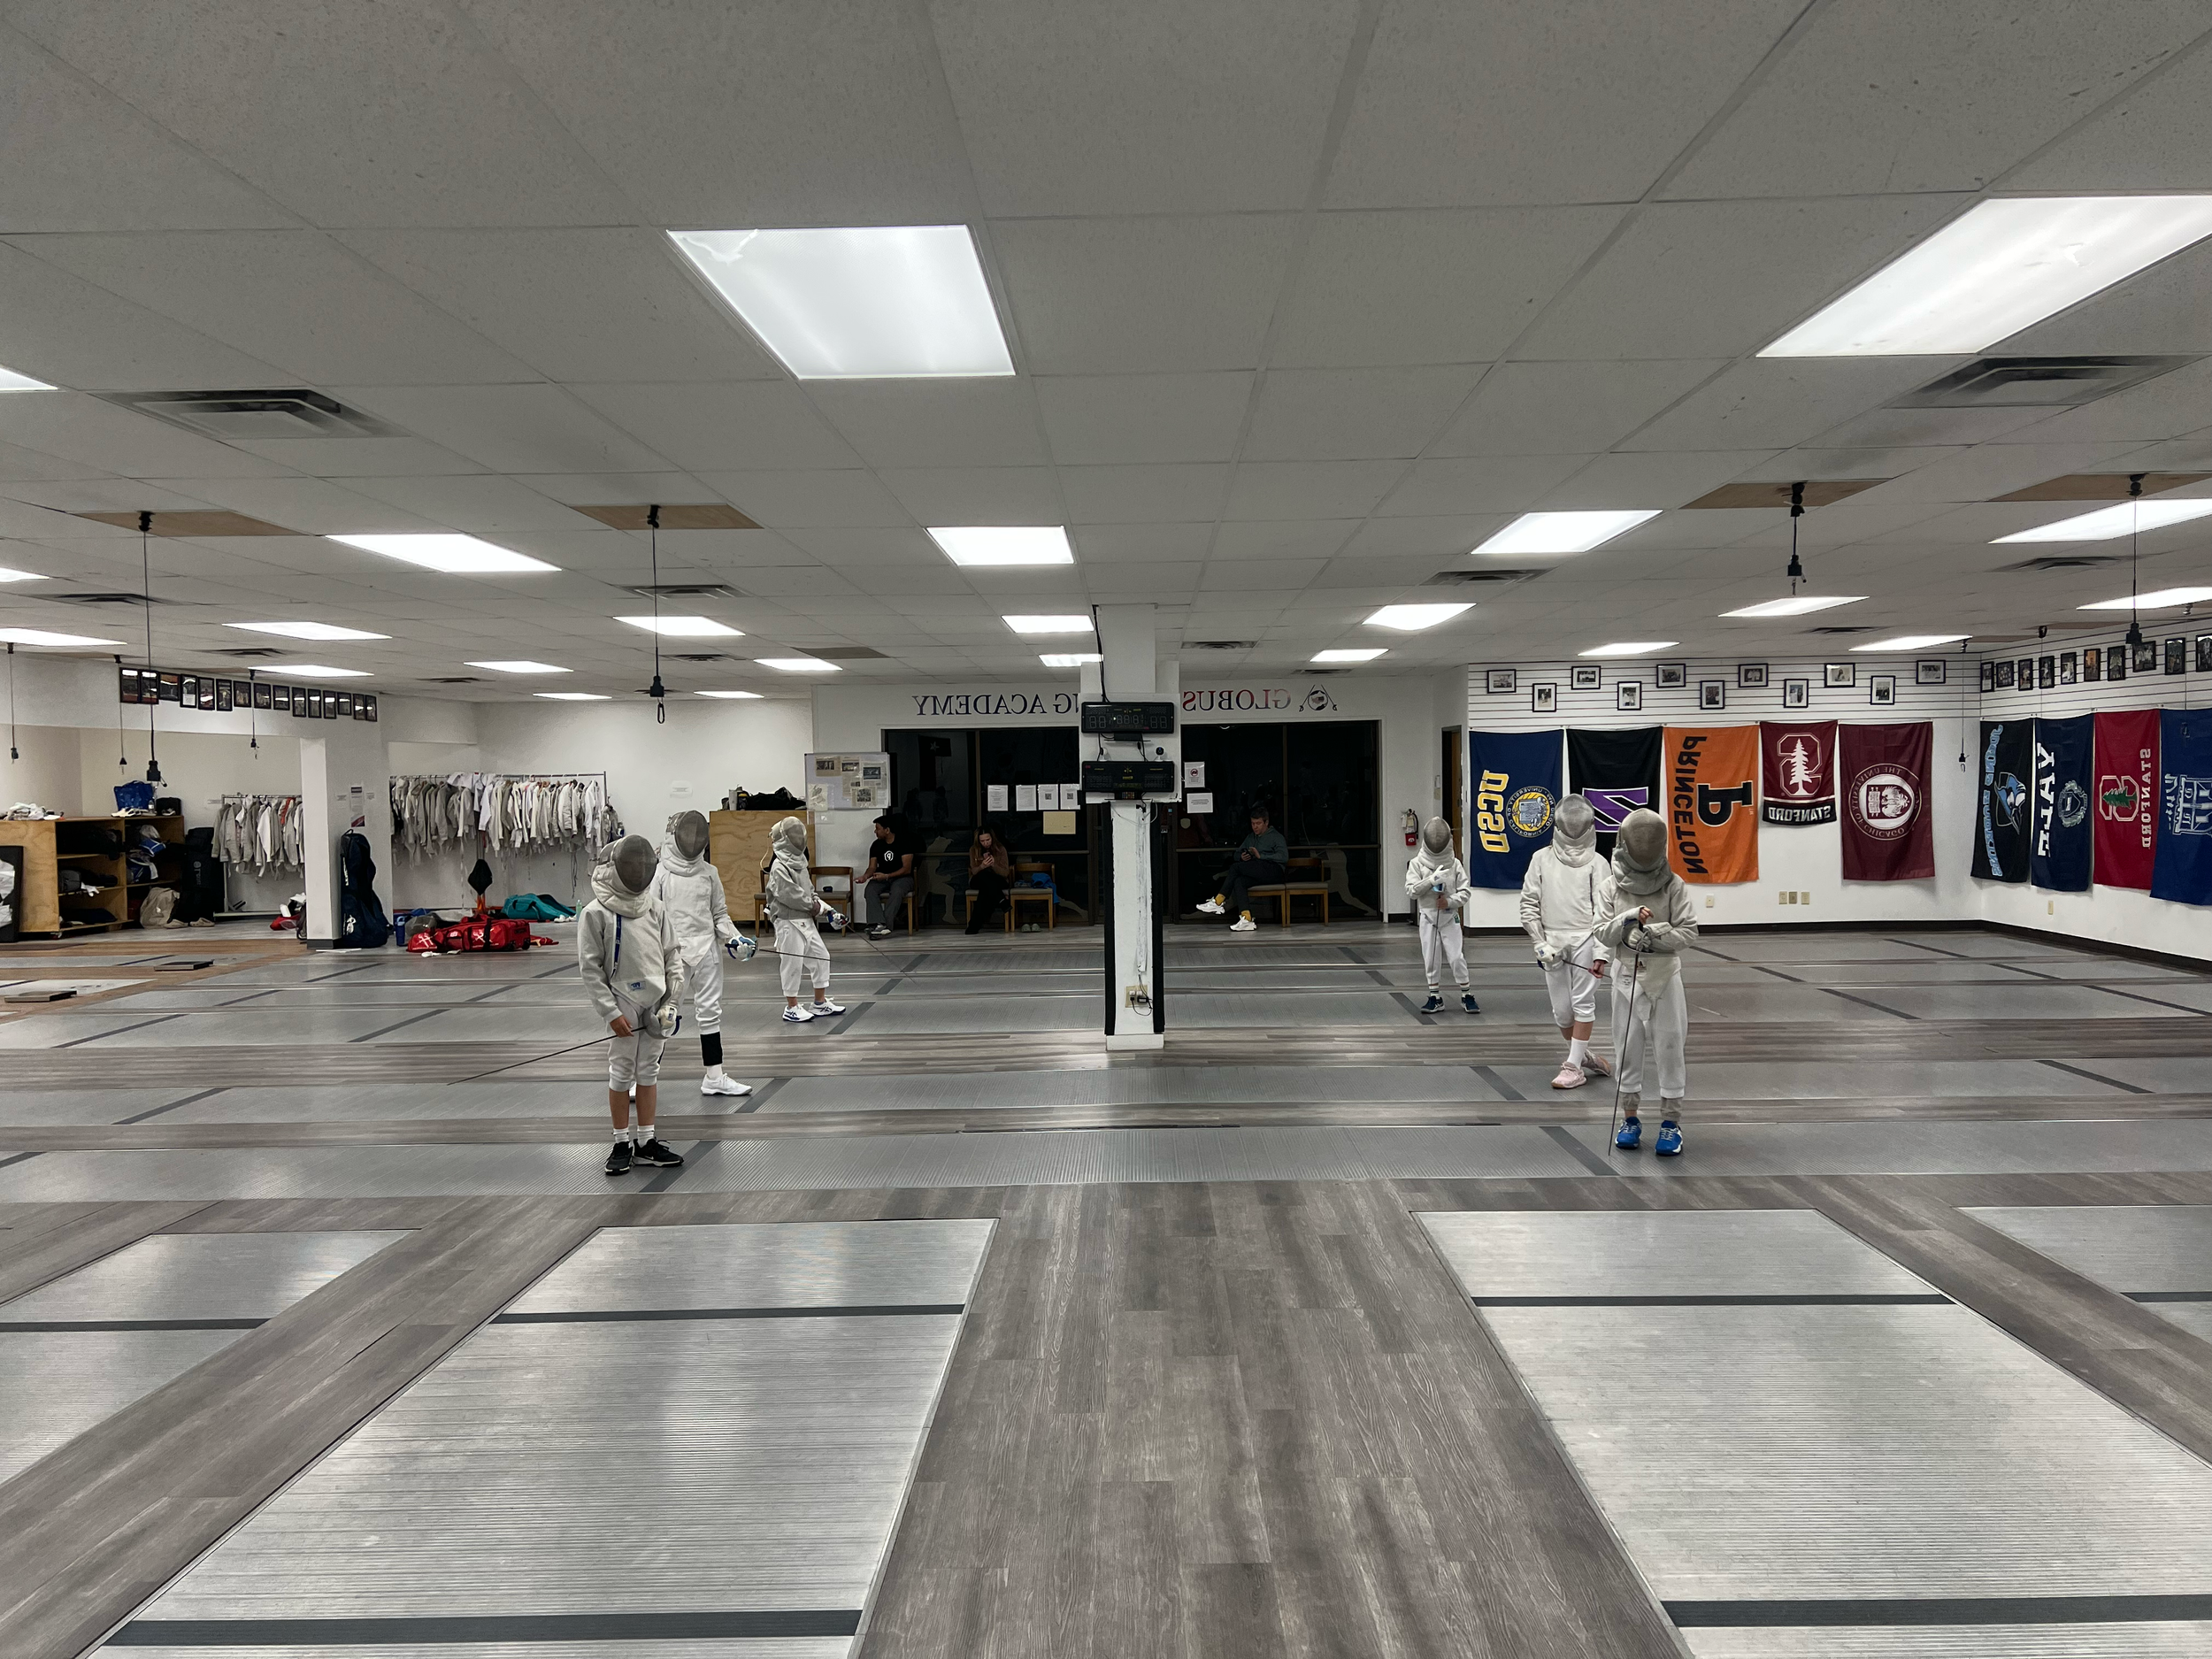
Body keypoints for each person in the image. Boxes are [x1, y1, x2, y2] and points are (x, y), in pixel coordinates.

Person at [578, 833, 687, 1177]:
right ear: (615, 868)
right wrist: (610, 1013)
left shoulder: (654, 907)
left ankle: (646, 1141)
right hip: (621, 999)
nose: (638, 871)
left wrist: (671, 1001)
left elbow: (672, 955)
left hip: (654, 1000)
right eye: (632, 865)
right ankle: (621, 1142)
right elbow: (590, 968)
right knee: (622, 1071)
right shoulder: (596, 913)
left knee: (649, 1070)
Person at [1593, 808, 1694, 1156]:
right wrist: (1627, 922)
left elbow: (1689, 931)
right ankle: (1631, 1119)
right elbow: (1601, 930)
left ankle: (1671, 1123)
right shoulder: (1610, 886)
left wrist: (1653, 936)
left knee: (1670, 1047)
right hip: (1625, 976)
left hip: (1666, 975)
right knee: (1627, 1049)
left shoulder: (1673, 884)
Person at [657, 810, 757, 1098]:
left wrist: (735, 937)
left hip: (707, 952)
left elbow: (719, 915)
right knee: (664, 1015)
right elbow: (651, 918)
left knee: (710, 1015)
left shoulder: (709, 872)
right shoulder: (660, 873)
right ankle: (644, 1078)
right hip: (673, 954)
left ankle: (714, 1077)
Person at [1519, 794, 1613, 1090]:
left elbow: (1605, 912)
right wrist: (1539, 942)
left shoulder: (1598, 863)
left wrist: (1601, 952)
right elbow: (1529, 905)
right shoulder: (1541, 859)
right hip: (1553, 942)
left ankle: (1573, 1067)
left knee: (1582, 1002)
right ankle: (1583, 1055)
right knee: (1561, 1010)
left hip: (1587, 937)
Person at [764, 814, 847, 1024]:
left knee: (821, 957)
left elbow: (809, 891)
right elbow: (791, 896)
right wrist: (816, 907)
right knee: (792, 963)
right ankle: (791, 1007)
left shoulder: (800, 863)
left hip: (805, 921)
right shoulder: (778, 867)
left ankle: (819, 1003)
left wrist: (829, 911)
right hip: (787, 921)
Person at [1405, 817, 1479, 1014]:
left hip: (1449, 916)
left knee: (1456, 958)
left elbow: (1465, 892)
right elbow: (1411, 891)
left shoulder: (1454, 864)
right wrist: (1430, 880)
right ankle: (1435, 997)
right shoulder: (1416, 864)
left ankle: (1466, 995)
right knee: (1430, 958)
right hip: (1428, 917)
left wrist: (1449, 901)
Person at [1194, 806, 1289, 932]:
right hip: (1257, 871)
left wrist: (1261, 856)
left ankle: (1219, 901)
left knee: (1235, 868)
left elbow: (1284, 857)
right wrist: (1242, 857)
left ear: (1266, 822)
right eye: (1253, 823)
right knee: (1239, 881)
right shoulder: (1251, 837)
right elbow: (1237, 854)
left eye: (1258, 823)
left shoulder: (1276, 837)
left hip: (1274, 871)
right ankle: (1246, 918)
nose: (1255, 827)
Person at [858, 814, 914, 940]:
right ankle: (876, 924)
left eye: (877, 828)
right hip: (882, 878)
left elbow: (906, 869)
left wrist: (887, 876)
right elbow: (872, 867)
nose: (875, 831)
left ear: (887, 830)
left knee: (897, 890)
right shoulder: (876, 845)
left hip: (902, 878)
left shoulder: (905, 842)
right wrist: (865, 876)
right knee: (870, 890)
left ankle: (885, 926)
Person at [965, 827, 1012, 934]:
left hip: (998, 879)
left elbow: (1005, 873)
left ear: (992, 838)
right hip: (978, 879)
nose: (986, 843)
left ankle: (973, 926)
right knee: (984, 875)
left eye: (988, 840)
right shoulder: (974, 850)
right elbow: (974, 871)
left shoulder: (1000, 849)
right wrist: (982, 866)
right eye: (982, 841)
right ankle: (1002, 901)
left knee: (985, 890)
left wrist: (994, 865)